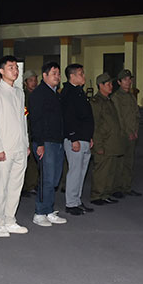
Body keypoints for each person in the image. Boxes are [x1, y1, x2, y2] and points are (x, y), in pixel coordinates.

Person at [0, 55, 29, 237]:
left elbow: (23, 121)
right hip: (4, 148)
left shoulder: (19, 93)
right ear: (1, 71)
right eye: (11, 67)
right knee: (0, 186)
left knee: (15, 186)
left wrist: (26, 143)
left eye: (16, 67)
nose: (15, 71)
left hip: (20, 147)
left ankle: (10, 219)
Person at [28, 62, 68, 228]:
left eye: (58, 73)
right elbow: (36, 120)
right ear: (44, 76)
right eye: (54, 73)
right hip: (45, 142)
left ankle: (49, 210)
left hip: (57, 141)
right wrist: (39, 143)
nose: (57, 76)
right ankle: (40, 212)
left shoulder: (55, 94)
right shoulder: (39, 94)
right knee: (47, 178)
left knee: (55, 178)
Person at [60, 63, 94, 216]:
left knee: (81, 172)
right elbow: (68, 118)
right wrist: (73, 137)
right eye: (81, 74)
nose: (83, 76)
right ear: (72, 76)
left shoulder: (79, 92)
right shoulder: (68, 93)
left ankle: (77, 200)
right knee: (75, 171)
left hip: (84, 138)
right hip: (75, 139)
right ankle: (71, 203)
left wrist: (89, 137)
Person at [88, 73, 126, 206]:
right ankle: (97, 195)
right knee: (101, 171)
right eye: (108, 84)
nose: (111, 86)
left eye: (111, 83)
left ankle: (105, 194)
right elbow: (95, 124)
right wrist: (98, 145)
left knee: (110, 171)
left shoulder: (108, 101)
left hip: (112, 143)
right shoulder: (96, 102)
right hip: (104, 143)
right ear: (101, 86)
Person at [112, 69, 142, 197]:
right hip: (122, 135)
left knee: (129, 162)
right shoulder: (116, 97)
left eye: (130, 79)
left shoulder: (131, 96)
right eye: (125, 80)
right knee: (120, 163)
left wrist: (135, 131)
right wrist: (128, 132)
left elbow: (136, 116)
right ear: (119, 82)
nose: (128, 82)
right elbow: (119, 118)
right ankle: (116, 188)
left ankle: (126, 187)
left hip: (132, 135)